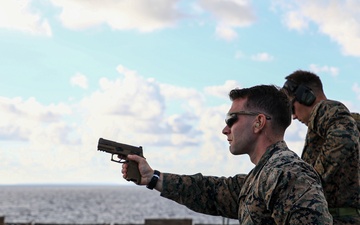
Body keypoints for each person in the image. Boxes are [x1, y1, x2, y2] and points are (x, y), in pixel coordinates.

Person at [121, 85, 332, 224]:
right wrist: (152, 178)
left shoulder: (289, 175)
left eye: (231, 119)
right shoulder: (263, 176)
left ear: (258, 122)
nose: (225, 129)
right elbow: (211, 192)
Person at [282, 70, 360, 224]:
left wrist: (310, 184)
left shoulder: (325, 109)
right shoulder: (348, 120)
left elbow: (344, 138)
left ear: (306, 96)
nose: (294, 116)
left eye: (292, 108)